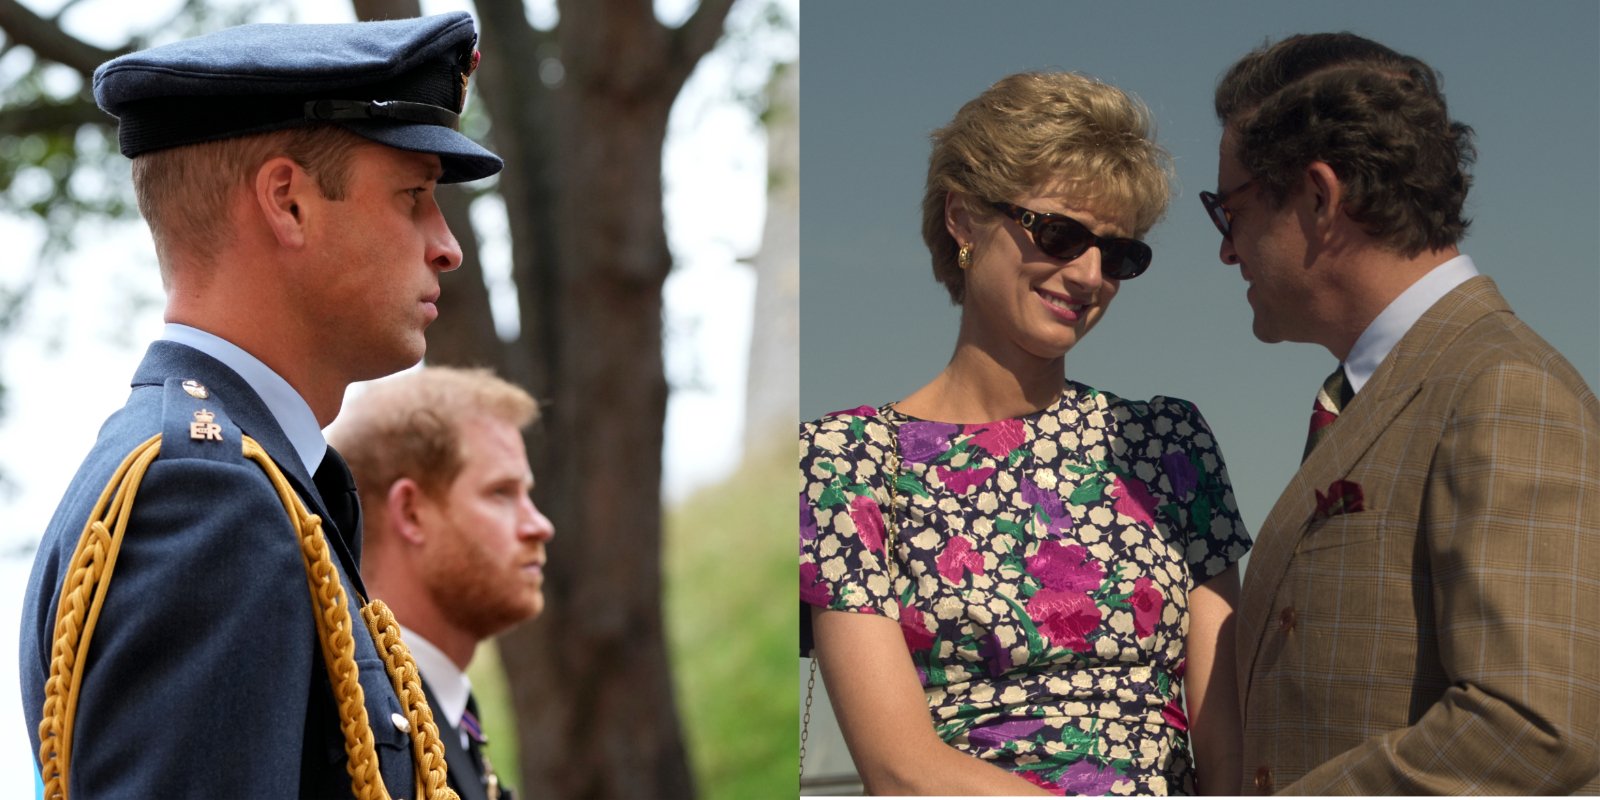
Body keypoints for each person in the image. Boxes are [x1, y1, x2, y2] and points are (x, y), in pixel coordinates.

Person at [19, 13, 502, 799]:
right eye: (413, 196)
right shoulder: (204, 497)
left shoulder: (253, 478)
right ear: (288, 202)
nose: (445, 244)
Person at [800, 71, 1251, 796]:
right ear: (962, 219)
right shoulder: (846, 462)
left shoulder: (1169, 442)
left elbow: (1226, 738)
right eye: (1061, 233)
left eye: (1119, 254)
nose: (1089, 275)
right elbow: (898, 765)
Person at [1203, 32, 1600, 794]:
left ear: (1319, 197)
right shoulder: (1392, 389)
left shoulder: (1503, 389)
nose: (1227, 250)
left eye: (1231, 209)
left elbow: (1535, 730)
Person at [328, 366, 555, 800]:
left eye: (528, 494)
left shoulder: (439, 708)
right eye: (501, 493)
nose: (539, 525)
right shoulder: (362, 738)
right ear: (412, 513)